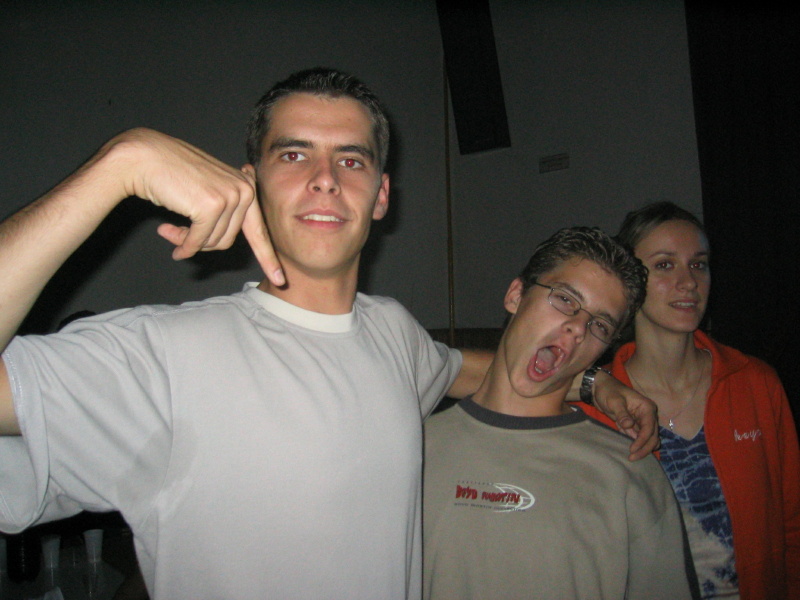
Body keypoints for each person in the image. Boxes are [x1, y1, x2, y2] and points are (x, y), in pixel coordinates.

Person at [0, 68, 657, 599]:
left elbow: (473, 369)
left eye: (351, 159)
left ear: (381, 195)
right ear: (249, 183)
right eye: (294, 154)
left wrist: (593, 383)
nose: (324, 178)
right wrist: (119, 166)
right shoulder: (166, 357)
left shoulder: (393, 333)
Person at [423, 226, 698, 600]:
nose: (578, 328)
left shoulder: (628, 472)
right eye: (565, 299)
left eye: (600, 325)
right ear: (516, 295)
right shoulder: (412, 448)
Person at [585, 201, 800, 599]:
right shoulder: (594, 407)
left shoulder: (756, 384)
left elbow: (792, 520)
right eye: (665, 265)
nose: (689, 282)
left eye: (698, 264)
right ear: (629, 281)